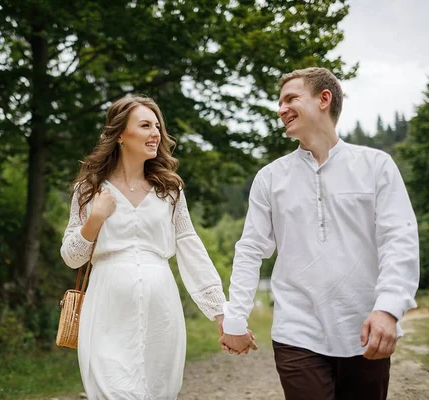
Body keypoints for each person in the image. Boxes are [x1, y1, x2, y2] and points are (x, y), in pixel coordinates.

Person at [219, 67, 420, 400]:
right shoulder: (270, 178)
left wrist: (388, 307)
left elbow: (399, 239)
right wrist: (236, 317)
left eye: (291, 99)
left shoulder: (376, 165)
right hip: (296, 331)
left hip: (366, 328)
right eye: (279, 102)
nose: (281, 109)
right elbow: (251, 249)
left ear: (324, 99)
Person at [60, 95, 227, 399]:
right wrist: (95, 219)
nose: (156, 134)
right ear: (121, 134)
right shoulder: (89, 189)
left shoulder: (170, 190)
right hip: (106, 312)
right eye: (146, 125)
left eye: (158, 127)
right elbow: (71, 257)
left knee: (157, 391)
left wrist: (219, 311)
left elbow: (190, 249)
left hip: (161, 315)